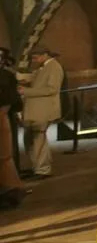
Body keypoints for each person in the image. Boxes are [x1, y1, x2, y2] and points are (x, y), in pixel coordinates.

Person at [20, 47, 64, 179]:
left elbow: (51, 89)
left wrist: (26, 91)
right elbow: (37, 81)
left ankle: (43, 169)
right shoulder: (43, 67)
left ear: (45, 55)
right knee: (31, 139)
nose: (34, 60)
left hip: (44, 110)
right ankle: (37, 166)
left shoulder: (54, 67)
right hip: (37, 110)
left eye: (35, 57)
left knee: (38, 139)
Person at [0, 48, 24, 208]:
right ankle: (12, 191)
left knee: (4, 157)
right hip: (4, 117)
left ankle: (11, 192)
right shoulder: (6, 75)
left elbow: (9, 100)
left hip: (2, 118)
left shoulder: (5, 76)